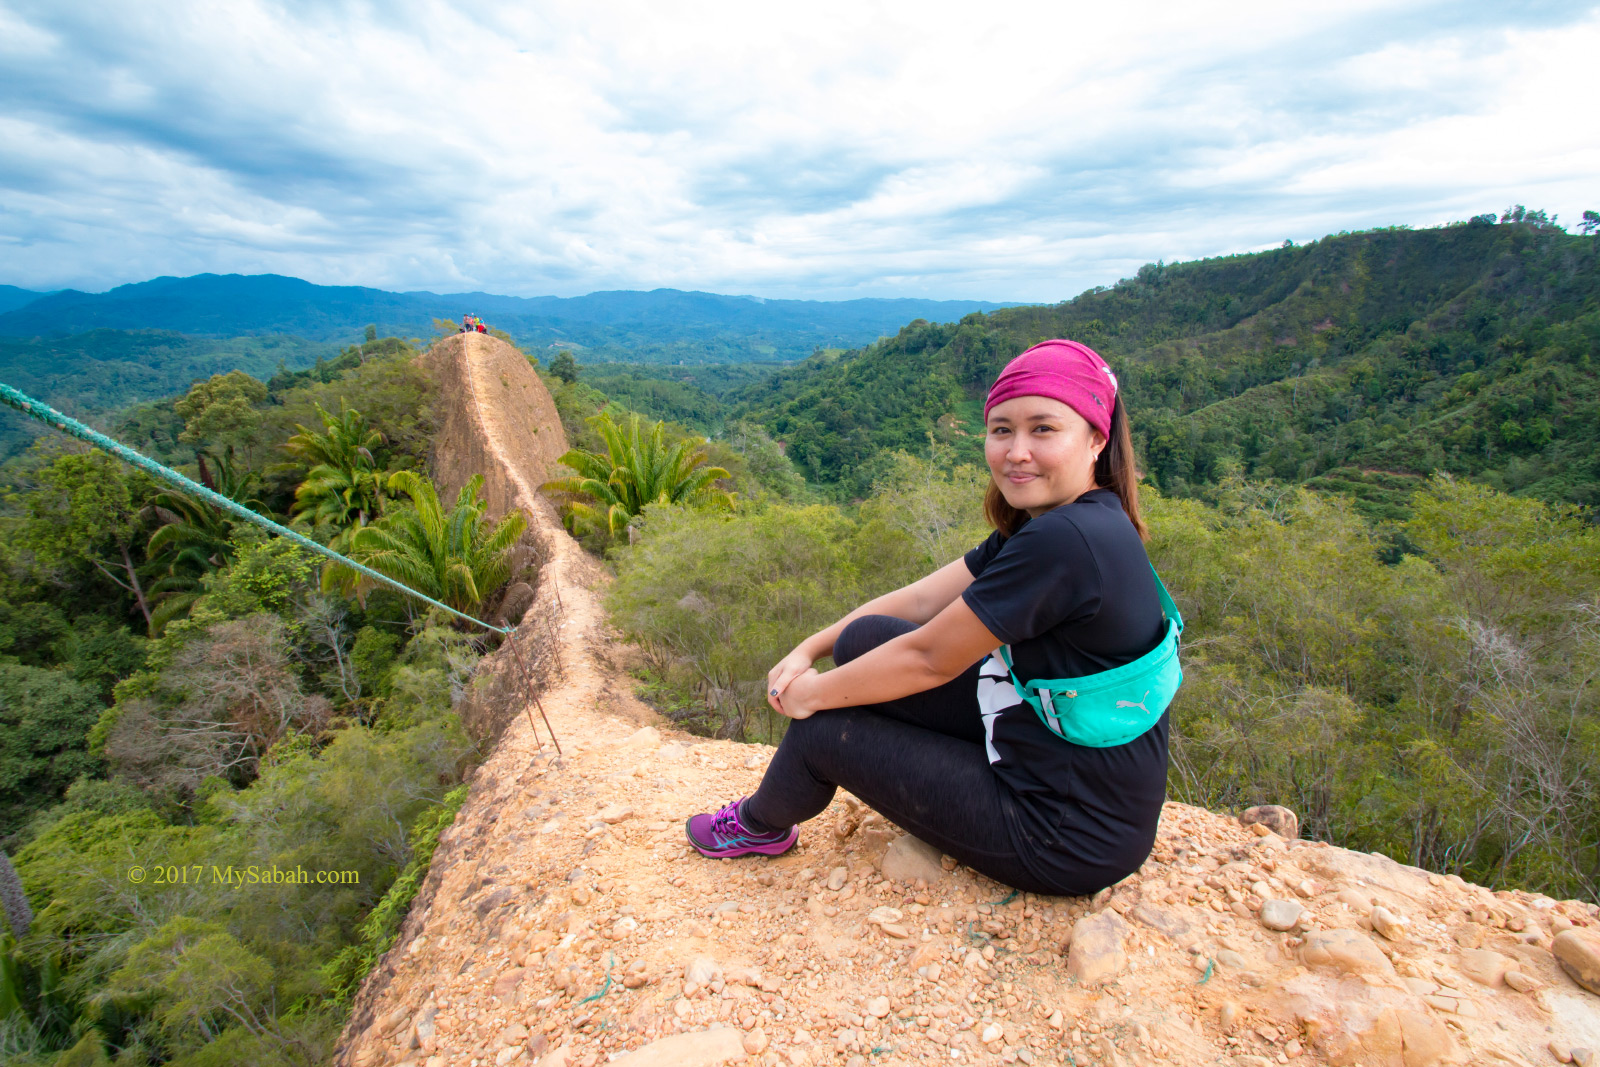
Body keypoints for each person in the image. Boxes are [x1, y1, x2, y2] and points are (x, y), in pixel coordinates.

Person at [684, 339, 1176, 896]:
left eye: (1043, 429)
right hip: (1055, 760)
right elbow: (920, 602)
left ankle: (756, 826)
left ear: (1096, 439)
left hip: (1062, 835)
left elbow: (927, 659)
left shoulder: (1064, 541)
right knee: (865, 639)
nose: (1017, 451)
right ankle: (902, 756)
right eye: (1001, 429)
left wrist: (811, 696)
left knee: (824, 729)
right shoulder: (1070, 521)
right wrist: (811, 647)